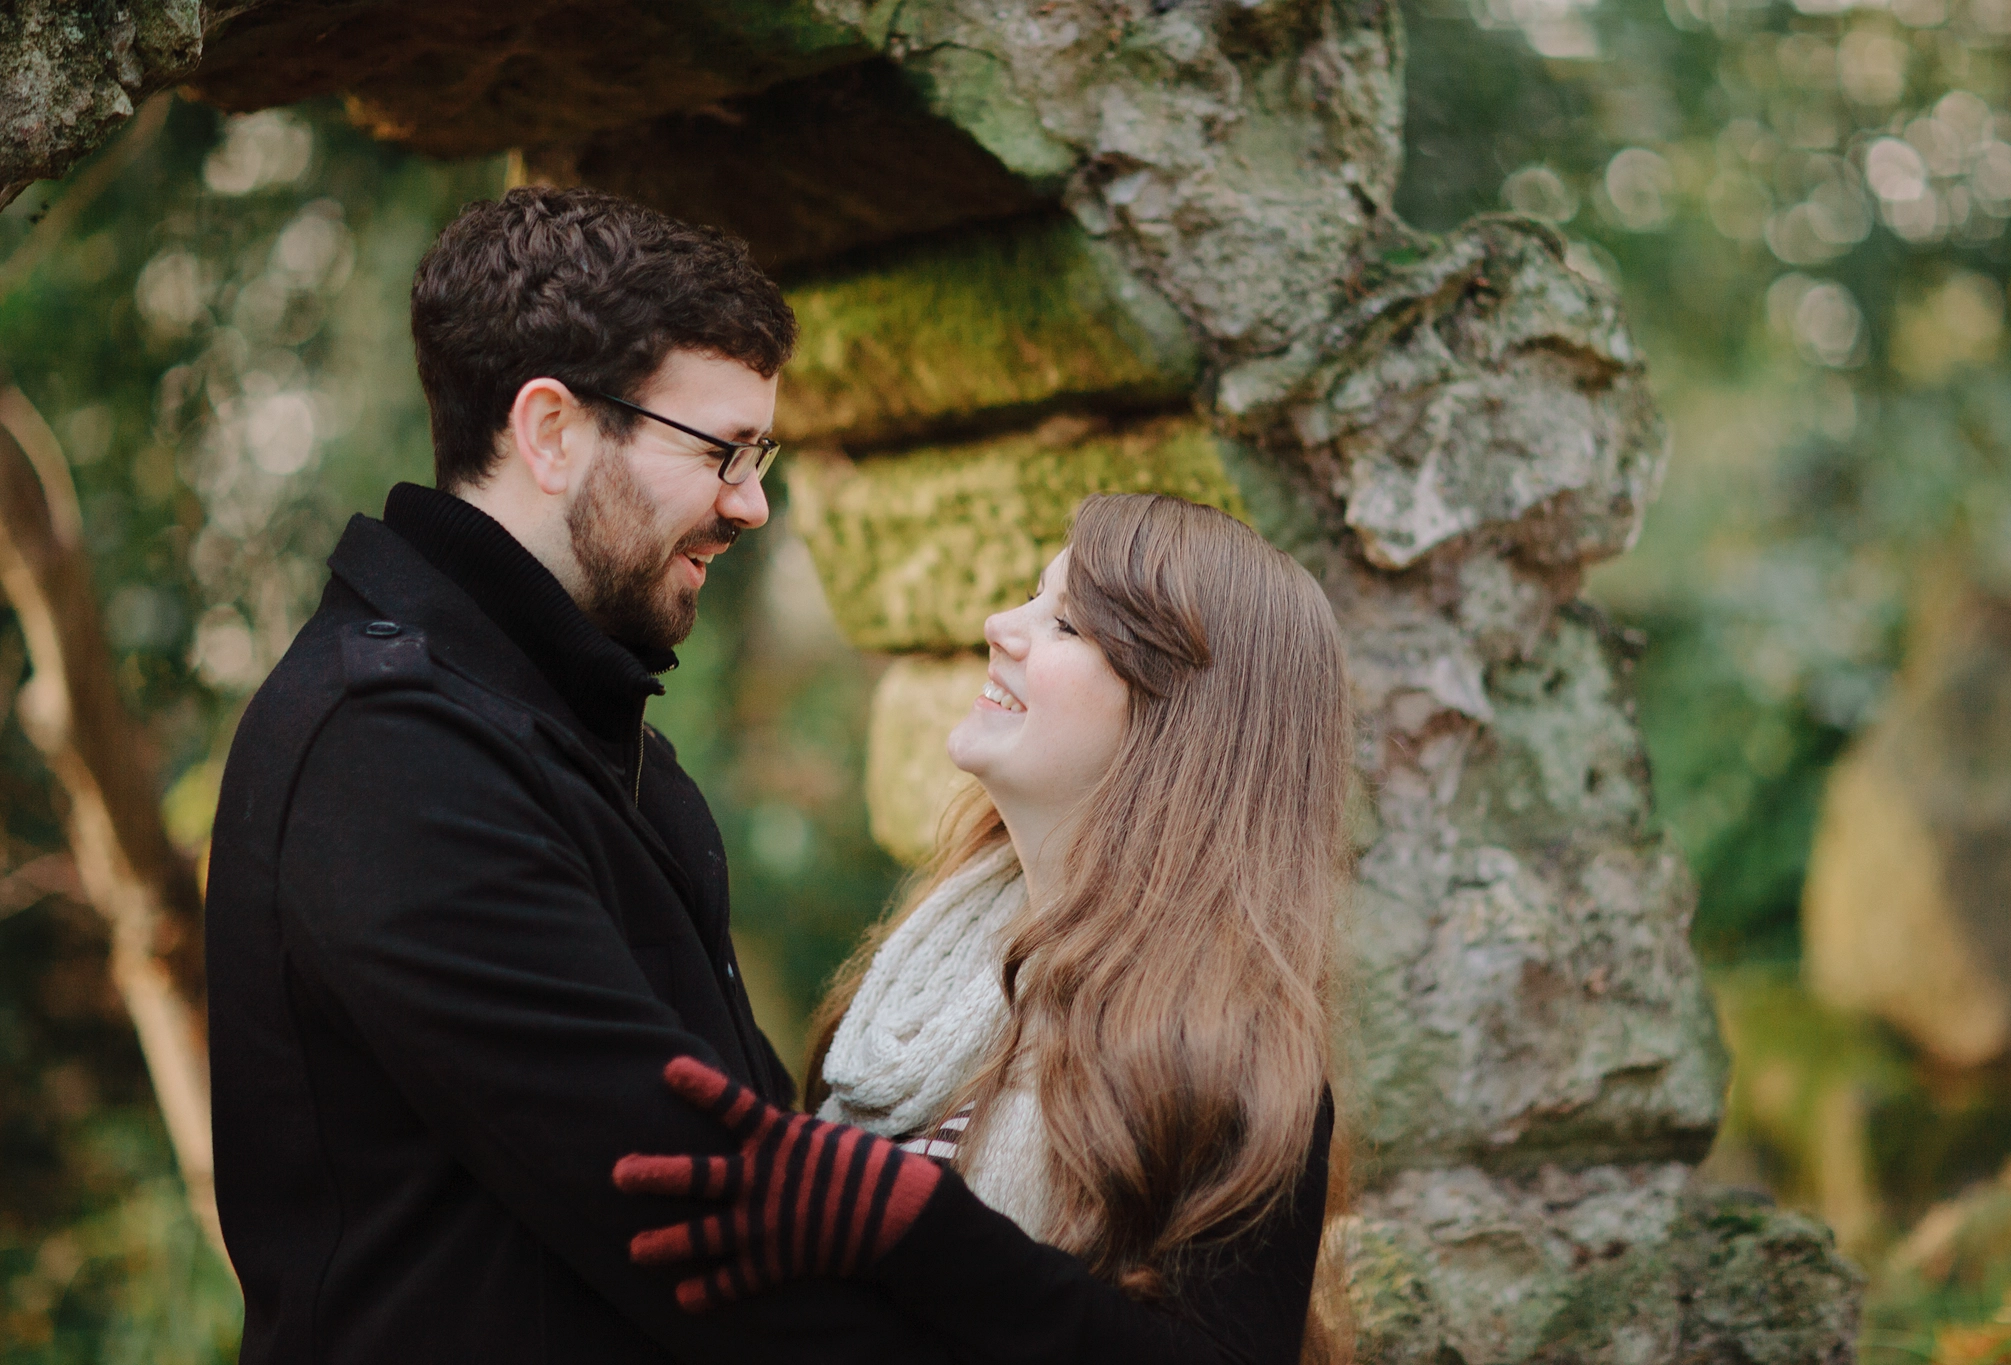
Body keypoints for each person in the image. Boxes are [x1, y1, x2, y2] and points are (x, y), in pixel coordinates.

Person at [205, 184, 1339, 1365]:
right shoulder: (394, 755)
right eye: (721, 451)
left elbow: (774, 1193)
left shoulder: (604, 754)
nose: (750, 502)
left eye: (760, 456)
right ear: (550, 432)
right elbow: (686, 1222)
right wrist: (924, 1239)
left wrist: (923, 1236)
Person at [617, 493, 1354, 1364]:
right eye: (1034, 597)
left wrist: (922, 1229)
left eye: (1067, 623)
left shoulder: (1232, 1053)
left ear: (1184, 725)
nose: (1000, 626)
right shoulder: (928, 964)